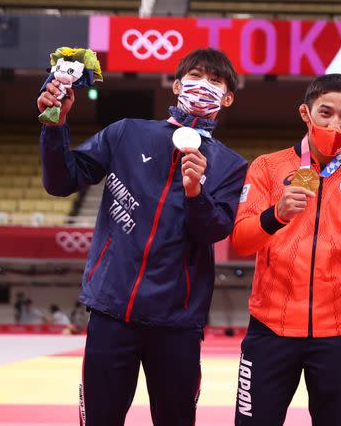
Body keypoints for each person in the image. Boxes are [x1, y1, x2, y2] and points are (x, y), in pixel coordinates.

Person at [38, 48, 247, 426]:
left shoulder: (230, 165)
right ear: (177, 85)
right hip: (112, 312)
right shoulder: (126, 132)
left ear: (229, 97)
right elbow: (61, 182)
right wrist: (55, 124)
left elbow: (214, 230)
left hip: (177, 322)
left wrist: (196, 190)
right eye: (196, 77)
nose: (205, 86)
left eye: (216, 81)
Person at [231, 74, 341, 426]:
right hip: (271, 330)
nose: (335, 123)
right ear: (306, 112)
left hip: (338, 333)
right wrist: (276, 215)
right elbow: (241, 240)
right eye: (325, 113)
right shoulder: (267, 168)